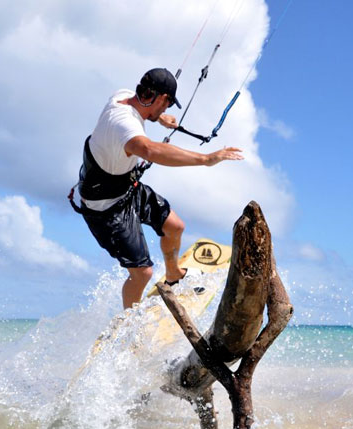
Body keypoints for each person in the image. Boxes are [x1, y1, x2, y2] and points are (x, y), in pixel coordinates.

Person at [71, 68, 243, 309]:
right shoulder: (124, 124)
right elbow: (150, 150)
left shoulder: (123, 97)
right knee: (143, 273)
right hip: (105, 207)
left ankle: (173, 274)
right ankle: (128, 325)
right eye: (167, 106)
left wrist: (159, 118)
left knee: (175, 227)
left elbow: (142, 108)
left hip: (126, 187)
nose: (166, 111)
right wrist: (205, 159)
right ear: (162, 98)